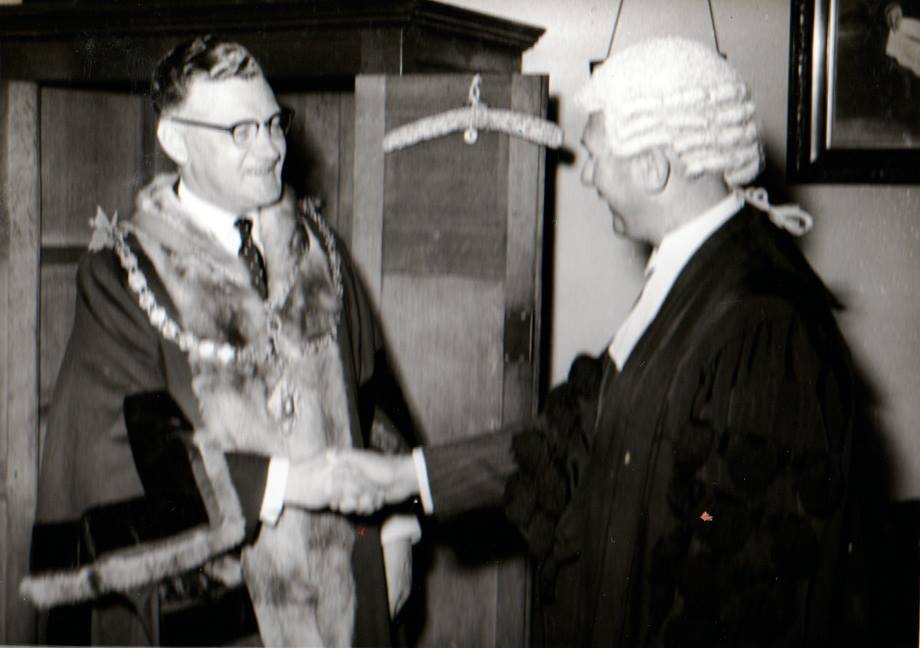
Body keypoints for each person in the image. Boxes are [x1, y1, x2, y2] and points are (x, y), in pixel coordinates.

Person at [334, 37, 868, 647]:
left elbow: (743, 589)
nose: (585, 175)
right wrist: (409, 476)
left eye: (594, 155)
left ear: (653, 168)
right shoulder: (698, 275)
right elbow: (581, 436)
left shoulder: (763, 324)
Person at [21, 35, 419, 646]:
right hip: (221, 607)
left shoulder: (319, 251)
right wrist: (287, 483)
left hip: (346, 584)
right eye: (240, 130)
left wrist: (397, 532)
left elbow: (374, 397)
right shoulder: (126, 276)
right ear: (175, 140)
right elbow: (128, 458)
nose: (270, 148)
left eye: (272, 123)